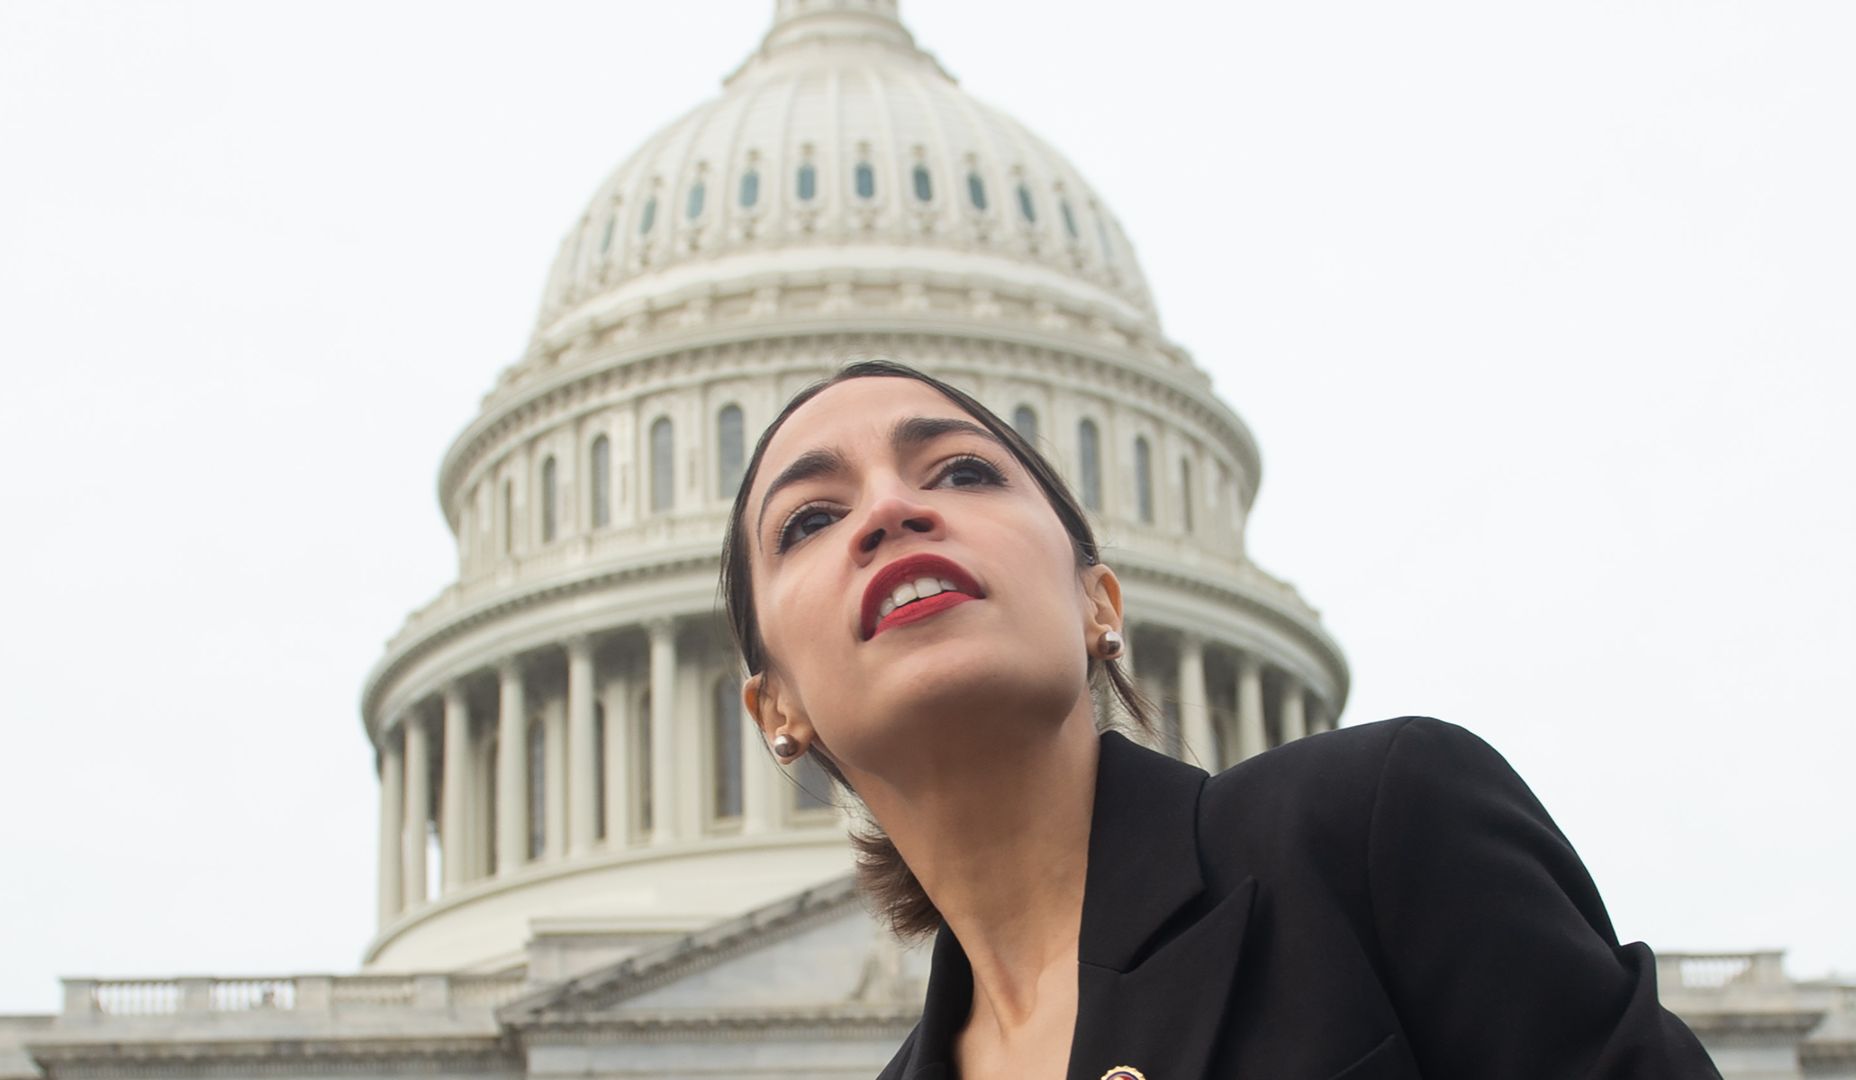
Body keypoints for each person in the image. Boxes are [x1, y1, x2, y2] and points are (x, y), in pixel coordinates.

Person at [718, 359, 1720, 1079]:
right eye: (810, 520)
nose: (891, 510)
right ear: (779, 708)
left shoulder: (1375, 829)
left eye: (962, 472)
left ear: (1097, 604)